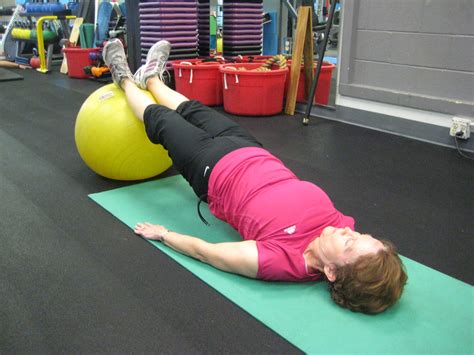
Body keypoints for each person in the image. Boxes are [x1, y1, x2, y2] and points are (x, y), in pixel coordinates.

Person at [103, 39, 407, 315]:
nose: (348, 231)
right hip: (250, 149)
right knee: (191, 108)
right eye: (360, 235)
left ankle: (125, 78)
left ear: (330, 272)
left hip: (210, 169)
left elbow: (209, 253)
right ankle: (153, 77)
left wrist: (164, 234)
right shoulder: (341, 229)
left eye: (350, 243)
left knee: (161, 119)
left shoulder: (281, 259)